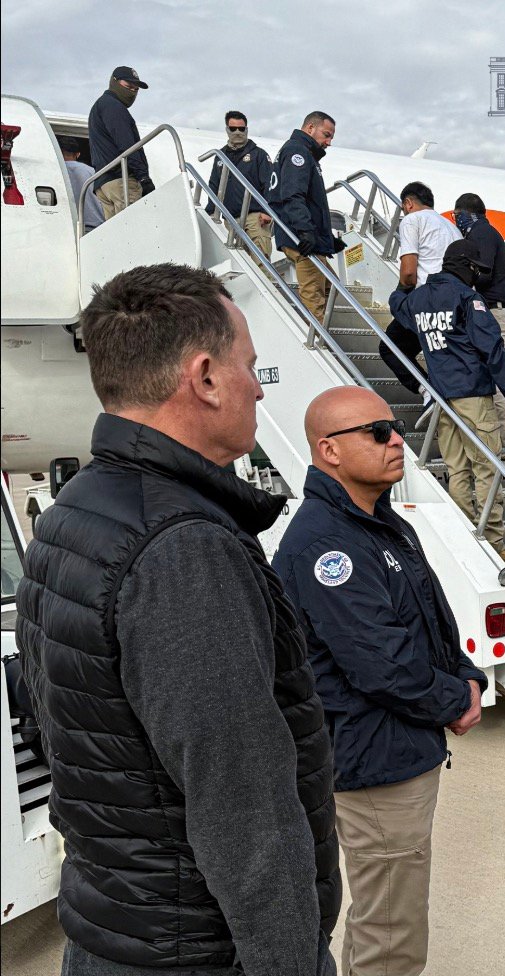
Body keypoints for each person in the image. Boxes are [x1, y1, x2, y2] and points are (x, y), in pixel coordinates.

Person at [15, 263, 340, 975]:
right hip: (197, 951)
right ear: (205, 376)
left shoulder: (71, 514)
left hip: (117, 928)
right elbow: (243, 799)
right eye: (249, 366)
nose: (258, 385)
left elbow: (58, 732)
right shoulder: (182, 547)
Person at [274, 386, 488, 976]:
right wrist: (454, 700)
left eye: (394, 427)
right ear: (330, 451)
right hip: (372, 763)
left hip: (398, 750)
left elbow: (430, 621)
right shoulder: (327, 542)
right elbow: (380, 662)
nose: (396, 440)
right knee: (390, 932)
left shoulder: (376, 523)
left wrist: (467, 676)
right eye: (376, 432)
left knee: (390, 915)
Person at [388, 239, 505, 567]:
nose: (477, 276)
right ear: (465, 267)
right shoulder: (467, 298)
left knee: (457, 468)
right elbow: (491, 349)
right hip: (472, 396)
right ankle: (493, 544)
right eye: (476, 270)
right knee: (487, 467)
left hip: (440, 398)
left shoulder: (419, 298)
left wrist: (401, 284)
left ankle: (467, 538)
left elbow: (398, 304)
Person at [453, 192, 505, 459]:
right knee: (488, 374)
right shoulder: (485, 232)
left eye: (457, 215)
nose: (456, 221)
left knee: (494, 379)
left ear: (467, 214)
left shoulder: (481, 233)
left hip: (496, 315)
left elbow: (483, 274)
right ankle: (501, 440)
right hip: (497, 314)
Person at [272, 111, 346, 323]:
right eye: (326, 134)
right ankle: (320, 351)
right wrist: (305, 231)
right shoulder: (298, 152)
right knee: (314, 299)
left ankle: (320, 340)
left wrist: (327, 239)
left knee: (332, 287)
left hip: (307, 236)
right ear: (310, 128)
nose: (329, 142)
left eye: (331, 137)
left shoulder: (305, 154)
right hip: (301, 239)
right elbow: (293, 194)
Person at [205, 110, 275, 260]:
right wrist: (209, 212)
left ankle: (266, 282)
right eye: (233, 128)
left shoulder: (259, 155)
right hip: (230, 219)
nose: (238, 132)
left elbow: (269, 184)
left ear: (247, 130)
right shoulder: (220, 157)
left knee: (261, 260)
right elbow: (214, 185)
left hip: (255, 217)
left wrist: (267, 211)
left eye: (241, 129)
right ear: (227, 130)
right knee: (241, 262)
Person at [87, 66, 155, 218]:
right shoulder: (114, 106)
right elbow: (127, 144)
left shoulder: (99, 107)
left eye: (136, 89)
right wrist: (143, 177)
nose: (132, 92)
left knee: (116, 236)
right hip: (121, 180)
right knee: (133, 231)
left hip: (104, 183)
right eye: (128, 86)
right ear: (114, 82)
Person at [397, 181, 460, 289]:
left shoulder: (412, 219)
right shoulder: (452, 226)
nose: (404, 212)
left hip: (430, 293)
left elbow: (408, 274)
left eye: (403, 209)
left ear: (408, 203)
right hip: (457, 294)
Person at [57, 136, 104, 232]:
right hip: (96, 225)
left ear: (59, 152)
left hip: (67, 227)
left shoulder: (56, 170)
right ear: (77, 154)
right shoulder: (92, 171)